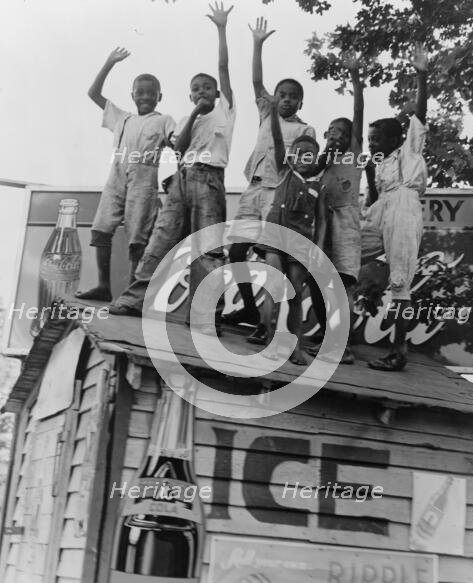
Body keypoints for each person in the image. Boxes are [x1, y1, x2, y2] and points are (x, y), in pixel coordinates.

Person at [108, 2, 236, 335]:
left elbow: (223, 67)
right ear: (189, 95)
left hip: (210, 181)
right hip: (181, 181)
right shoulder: (185, 119)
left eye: (207, 88)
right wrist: (194, 112)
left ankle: (204, 315)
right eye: (195, 89)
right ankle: (136, 300)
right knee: (160, 242)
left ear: (218, 93)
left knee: (207, 249)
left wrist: (221, 29)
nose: (201, 92)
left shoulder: (226, 111)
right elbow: (177, 148)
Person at [224, 17, 316, 334]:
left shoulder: (304, 129)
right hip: (254, 188)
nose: (286, 99)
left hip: (279, 195)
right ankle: (248, 307)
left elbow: (304, 166)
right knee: (236, 250)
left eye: (292, 96)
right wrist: (258, 44)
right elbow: (255, 81)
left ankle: (268, 322)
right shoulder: (267, 112)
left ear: (300, 101)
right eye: (281, 94)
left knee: (271, 256)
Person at [76, 47, 175, 302]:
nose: (145, 97)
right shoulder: (122, 117)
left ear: (159, 96)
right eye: (140, 92)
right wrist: (109, 62)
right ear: (132, 95)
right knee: (101, 229)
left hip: (144, 178)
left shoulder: (164, 120)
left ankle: (131, 294)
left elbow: (178, 144)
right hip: (117, 175)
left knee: (137, 236)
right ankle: (103, 286)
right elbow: (93, 93)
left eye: (151, 93)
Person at [361, 42, 429, 371]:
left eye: (375, 139)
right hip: (383, 210)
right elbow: (374, 205)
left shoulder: (409, 151)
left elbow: (421, 114)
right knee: (345, 252)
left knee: (400, 280)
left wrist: (421, 74)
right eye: (369, 139)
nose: (371, 143)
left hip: (404, 207)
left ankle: (398, 352)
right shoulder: (380, 164)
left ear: (393, 139)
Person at [249, 96, 325, 366]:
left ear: (316, 159)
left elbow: (322, 220)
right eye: (299, 153)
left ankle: (296, 347)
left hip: (301, 243)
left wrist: (318, 249)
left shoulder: (318, 186)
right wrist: (271, 114)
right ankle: (269, 340)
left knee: (294, 294)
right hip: (275, 236)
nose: (303, 158)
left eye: (310, 155)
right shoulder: (284, 172)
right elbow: (279, 141)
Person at [306, 50, 365, 365]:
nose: (336, 136)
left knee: (341, 283)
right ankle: (328, 333)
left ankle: (342, 346)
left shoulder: (354, 155)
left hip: (345, 226)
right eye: (331, 132)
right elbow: (310, 169)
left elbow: (358, 112)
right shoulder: (325, 164)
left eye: (342, 133)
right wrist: (325, 151)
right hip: (323, 227)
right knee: (317, 280)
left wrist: (355, 78)